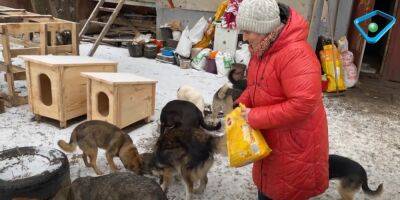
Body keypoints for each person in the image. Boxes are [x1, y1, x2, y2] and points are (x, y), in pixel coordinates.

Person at [235, 0, 329, 199]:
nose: (244, 37)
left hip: (295, 145)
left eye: (248, 31)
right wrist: (239, 105)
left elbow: (303, 103)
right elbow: (258, 87)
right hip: (272, 139)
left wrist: (255, 116)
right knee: (268, 190)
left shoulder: (296, 54)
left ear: (264, 29)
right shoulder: (263, 48)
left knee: (284, 192)